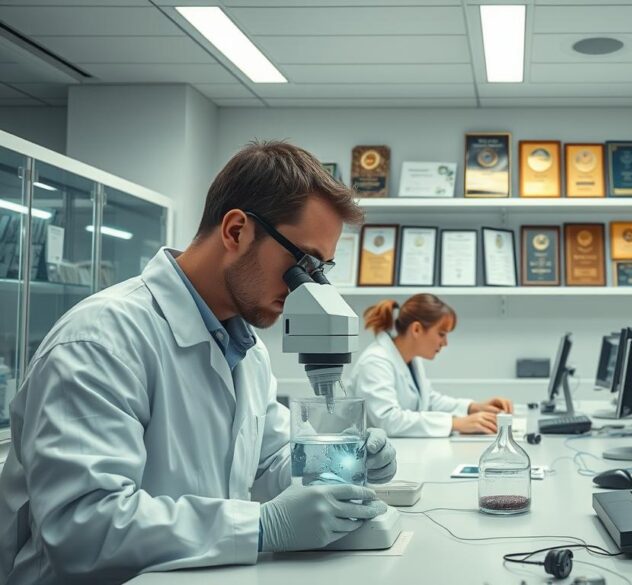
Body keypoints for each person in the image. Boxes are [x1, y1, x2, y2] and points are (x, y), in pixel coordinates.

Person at [0, 141, 399, 585]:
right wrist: (263, 527)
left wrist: (339, 460)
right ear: (235, 231)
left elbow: (266, 465)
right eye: (302, 263)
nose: (308, 287)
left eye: (322, 268)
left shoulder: (246, 348)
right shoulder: (101, 340)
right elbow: (84, 528)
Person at [350, 295, 514, 437]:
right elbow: (388, 420)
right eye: (441, 334)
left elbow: (427, 400)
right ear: (416, 329)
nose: (445, 343)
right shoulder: (375, 362)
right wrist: (454, 423)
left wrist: (472, 407)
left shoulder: (411, 359)